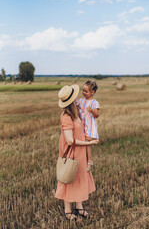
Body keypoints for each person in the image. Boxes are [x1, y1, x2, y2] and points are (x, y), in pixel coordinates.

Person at [55, 84, 98, 221]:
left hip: (80, 152)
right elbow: (69, 140)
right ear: (71, 100)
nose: (78, 98)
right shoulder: (66, 117)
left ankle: (79, 207)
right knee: (69, 178)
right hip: (71, 153)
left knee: (79, 178)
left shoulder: (77, 112)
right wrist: (89, 143)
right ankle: (68, 211)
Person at [77, 81, 100, 172]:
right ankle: (82, 160)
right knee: (81, 142)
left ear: (92, 92)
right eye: (83, 90)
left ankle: (89, 161)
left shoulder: (94, 103)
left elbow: (96, 115)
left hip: (89, 125)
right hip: (81, 125)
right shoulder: (81, 101)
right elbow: (75, 106)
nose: (83, 93)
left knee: (87, 143)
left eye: (86, 91)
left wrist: (92, 111)